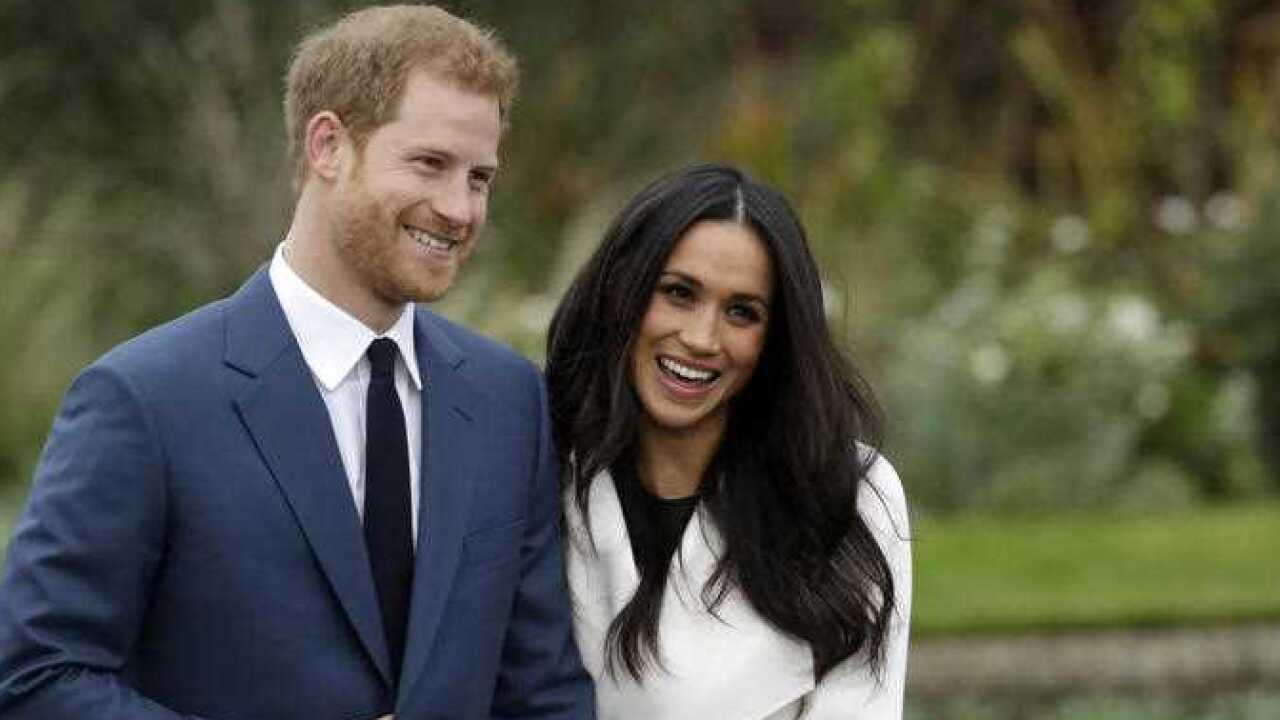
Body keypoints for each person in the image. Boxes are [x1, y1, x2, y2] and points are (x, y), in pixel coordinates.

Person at [0, 6, 593, 719]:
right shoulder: (144, 400)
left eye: (480, 177)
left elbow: (542, 693)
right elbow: (37, 675)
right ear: (328, 146)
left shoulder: (509, 400)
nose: (460, 209)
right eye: (431, 164)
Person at [545, 163, 911, 719]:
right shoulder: (540, 473)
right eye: (677, 293)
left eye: (742, 312)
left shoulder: (848, 492)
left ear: (777, 337)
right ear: (622, 291)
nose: (700, 338)